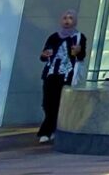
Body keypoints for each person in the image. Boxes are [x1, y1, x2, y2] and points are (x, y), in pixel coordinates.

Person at [37, 10, 87, 143]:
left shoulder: (78, 37)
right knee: (48, 103)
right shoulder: (54, 37)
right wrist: (44, 55)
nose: (67, 21)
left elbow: (81, 57)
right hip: (51, 73)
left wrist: (78, 52)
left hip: (66, 74)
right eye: (65, 18)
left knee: (60, 102)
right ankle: (51, 129)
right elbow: (44, 55)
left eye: (70, 18)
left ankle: (47, 131)